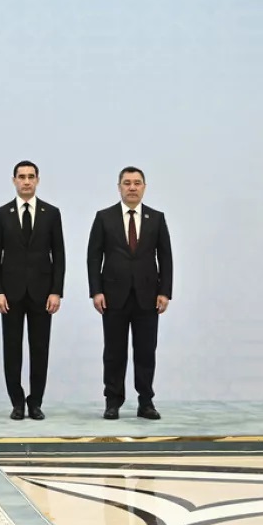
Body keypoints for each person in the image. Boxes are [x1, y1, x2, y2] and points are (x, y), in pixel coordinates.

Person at [87, 166, 173, 421]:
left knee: (146, 351)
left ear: (144, 187)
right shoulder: (104, 217)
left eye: (137, 183)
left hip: (148, 296)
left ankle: (146, 402)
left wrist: (165, 291)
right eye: (127, 183)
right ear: (119, 187)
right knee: (114, 352)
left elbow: (165, 257)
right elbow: (94, 257)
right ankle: (112, 401)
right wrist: (96, 291)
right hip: (113, 296)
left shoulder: (156, 218)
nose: (132, 187)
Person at [0, 160, 66, 421]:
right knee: (12, 349)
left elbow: (59, 255)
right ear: (14, 181)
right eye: (22, 177)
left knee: (40, 349)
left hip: (42, 293)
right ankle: (17, 402)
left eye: (31, 176)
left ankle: (36, 402)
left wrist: (56, 291)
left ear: (38, 180)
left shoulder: (51, 213)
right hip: (10, 294)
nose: (26, 181)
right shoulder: (1, 214)